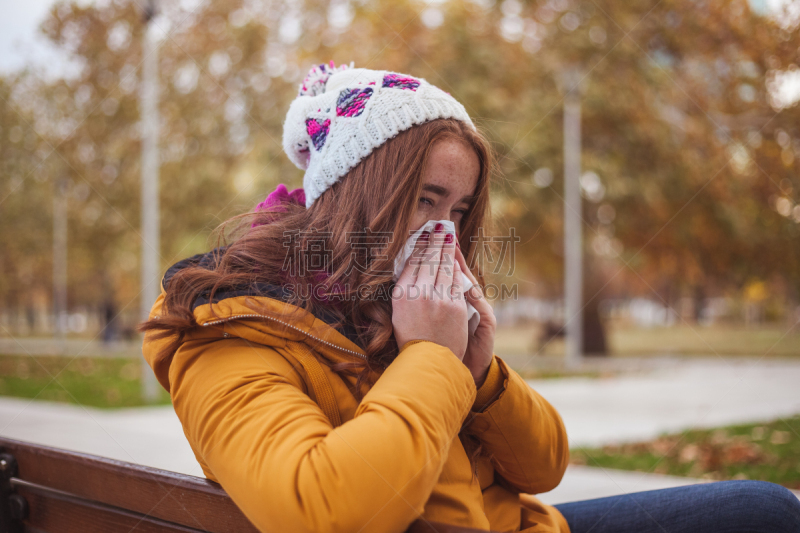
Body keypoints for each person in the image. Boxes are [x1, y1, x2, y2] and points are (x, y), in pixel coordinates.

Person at [141, 63, 800, 533]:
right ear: (352, 194)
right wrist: (430, 357)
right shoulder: (225, 329)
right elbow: (325, 511)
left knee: (764, 508)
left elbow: (545, 467)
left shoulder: (389, 303)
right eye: (425, 199)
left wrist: (481, 375)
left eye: (457, 210)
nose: (441, 231)